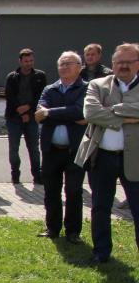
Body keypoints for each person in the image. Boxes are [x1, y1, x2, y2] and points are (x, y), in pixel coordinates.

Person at [74, 42, 139, 264]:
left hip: (134, 159)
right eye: (119, 62)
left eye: (129, 62)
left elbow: (101, 114)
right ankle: (101, 252)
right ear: (112, 64)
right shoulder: (97, 85)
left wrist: (110, 111)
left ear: (137, 64)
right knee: (100, 207)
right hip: (102, 157)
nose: (124, 66)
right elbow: (91, 113)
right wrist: (129, 116)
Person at [34, 51, 88, 243]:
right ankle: (52, 228)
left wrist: (50, 113)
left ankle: (73, 232)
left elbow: (81, 111)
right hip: (51, 149)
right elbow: (39, 113)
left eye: (69, 64)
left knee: (73, 191)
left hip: (75, 150)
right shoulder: (50, 89)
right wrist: (69, 115)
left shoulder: (86, 89)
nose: (64, 67)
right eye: (61, 64)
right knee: (51, 191)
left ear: (79, 67)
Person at [5, 48, 48, 185]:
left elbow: (41, 96)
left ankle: (37, 175)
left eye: (31, 60)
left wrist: (28, 110)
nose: (29, 63)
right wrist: (20, 111)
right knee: (14, 147)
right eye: (26, 61)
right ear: (20, 61)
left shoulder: (40, 76)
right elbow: (10, 96)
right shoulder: (12, 77)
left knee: (34, 148)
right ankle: (15, 175)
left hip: (32, 116)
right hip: (14, 116)